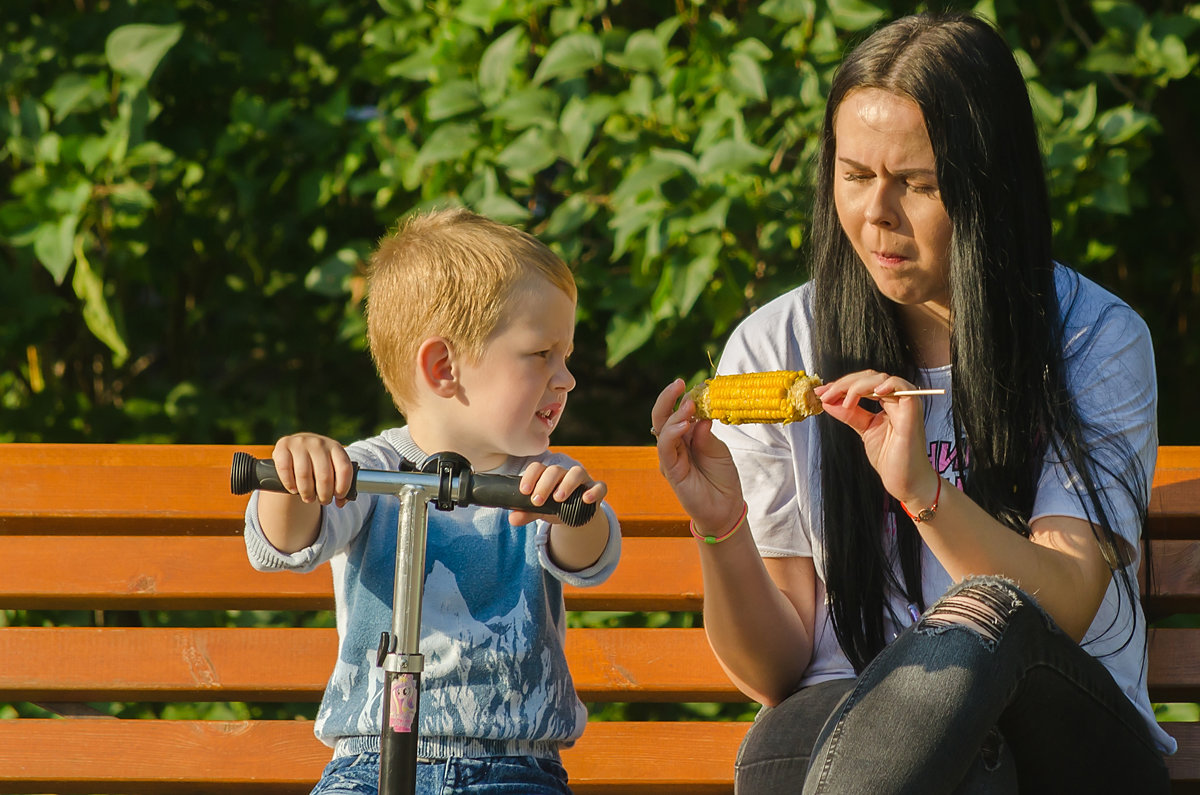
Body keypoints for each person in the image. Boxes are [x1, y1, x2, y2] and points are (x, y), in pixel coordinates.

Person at [651, 11, 1171, 794]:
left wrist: (924, 494)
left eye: (918, 184)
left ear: (988, 185)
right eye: (855, 175)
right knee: (781, 740)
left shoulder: (1095, 339)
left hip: (1062, 727)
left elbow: (1061, 602)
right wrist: (720, 526)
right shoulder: (775, 343)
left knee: (973, 632)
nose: (875, 215)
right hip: (855, 720)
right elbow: (775, 668)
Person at [243, 207, 620, 795]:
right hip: (367, 760)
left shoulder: (547, 479)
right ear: (444, 368)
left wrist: (574, 510)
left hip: (515, 765)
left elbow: (589, 557)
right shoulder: (366, 470)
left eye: (565, 356)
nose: (566, 377)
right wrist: (297, 476)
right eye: (542, 354)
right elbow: (286, 545)